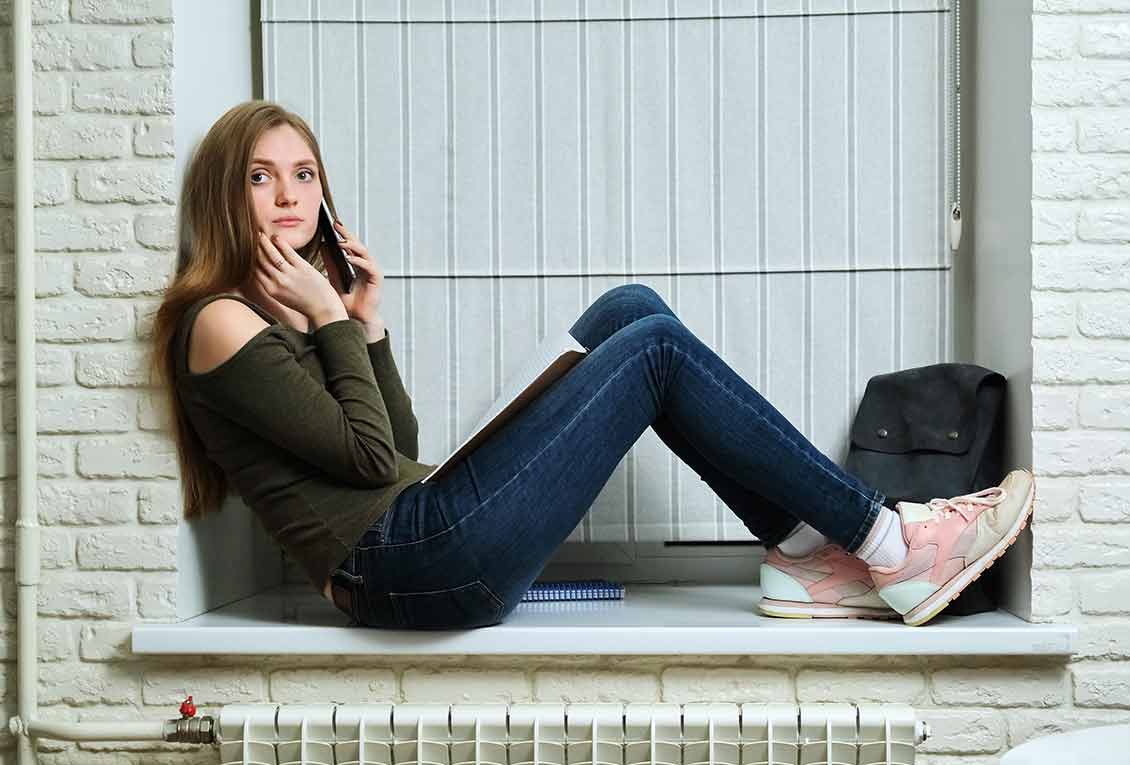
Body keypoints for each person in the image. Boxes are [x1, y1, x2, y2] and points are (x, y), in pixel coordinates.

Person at [149, 100, 1035, 631]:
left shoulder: (293, 313)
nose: (291, 195)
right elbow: (374, 465)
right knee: (650, 352)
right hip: (403, 568)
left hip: (418, 534)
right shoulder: (218, 321)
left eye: (304, 174)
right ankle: (890, 542)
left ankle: (808, 555)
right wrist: (331, 319)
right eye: (262, 178)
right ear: (226, 196)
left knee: (629, 309)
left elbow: (398, 446)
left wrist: (364, 327)